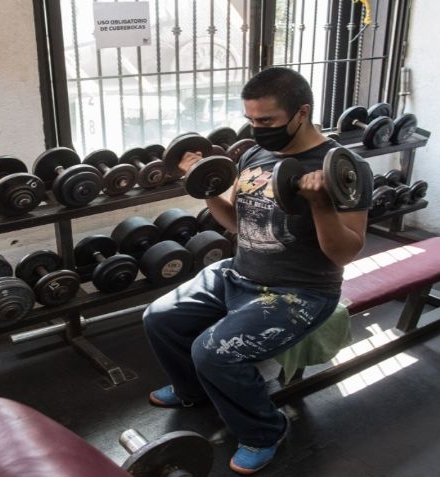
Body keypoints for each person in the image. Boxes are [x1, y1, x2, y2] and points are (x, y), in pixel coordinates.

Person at [142, 67, 372, 475]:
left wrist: (320, 205)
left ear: (301, 112)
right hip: (239, 273)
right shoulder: (254, 154)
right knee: (159, 318)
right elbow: (237, 224)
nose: (256, 128)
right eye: (250, 119)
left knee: (213, 352)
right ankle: (191, 389)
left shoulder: (344, 166)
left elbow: (345, 253)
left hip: (301, 291)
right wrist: (207, 185)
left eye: (265, 121)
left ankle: (265, 430)